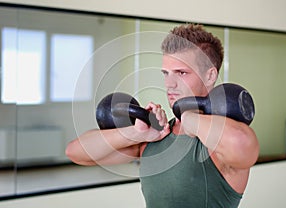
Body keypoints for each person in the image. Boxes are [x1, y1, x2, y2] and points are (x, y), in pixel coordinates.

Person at [65, 24, 259, 208]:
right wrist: (136, 133)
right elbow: (77, 153)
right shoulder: (156, 137)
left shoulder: (219, 141)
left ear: (209, 76)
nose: (169, 84)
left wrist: (190, 118)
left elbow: (243, 144)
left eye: (181, 73)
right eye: (166, 73)